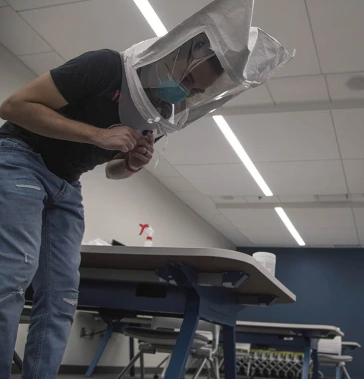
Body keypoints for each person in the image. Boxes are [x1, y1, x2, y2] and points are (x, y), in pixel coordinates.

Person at [0, 40, 224, 378]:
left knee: (61, 298)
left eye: (196, 91)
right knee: (13, 276)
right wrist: (96, 135)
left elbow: (112, 170)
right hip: (21, 157)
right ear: (172, 54)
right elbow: (14, 106)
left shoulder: (159, 111)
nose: (186, 93)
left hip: (67, 184)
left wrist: (132, 163)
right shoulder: (107, 66)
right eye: (188, 80)